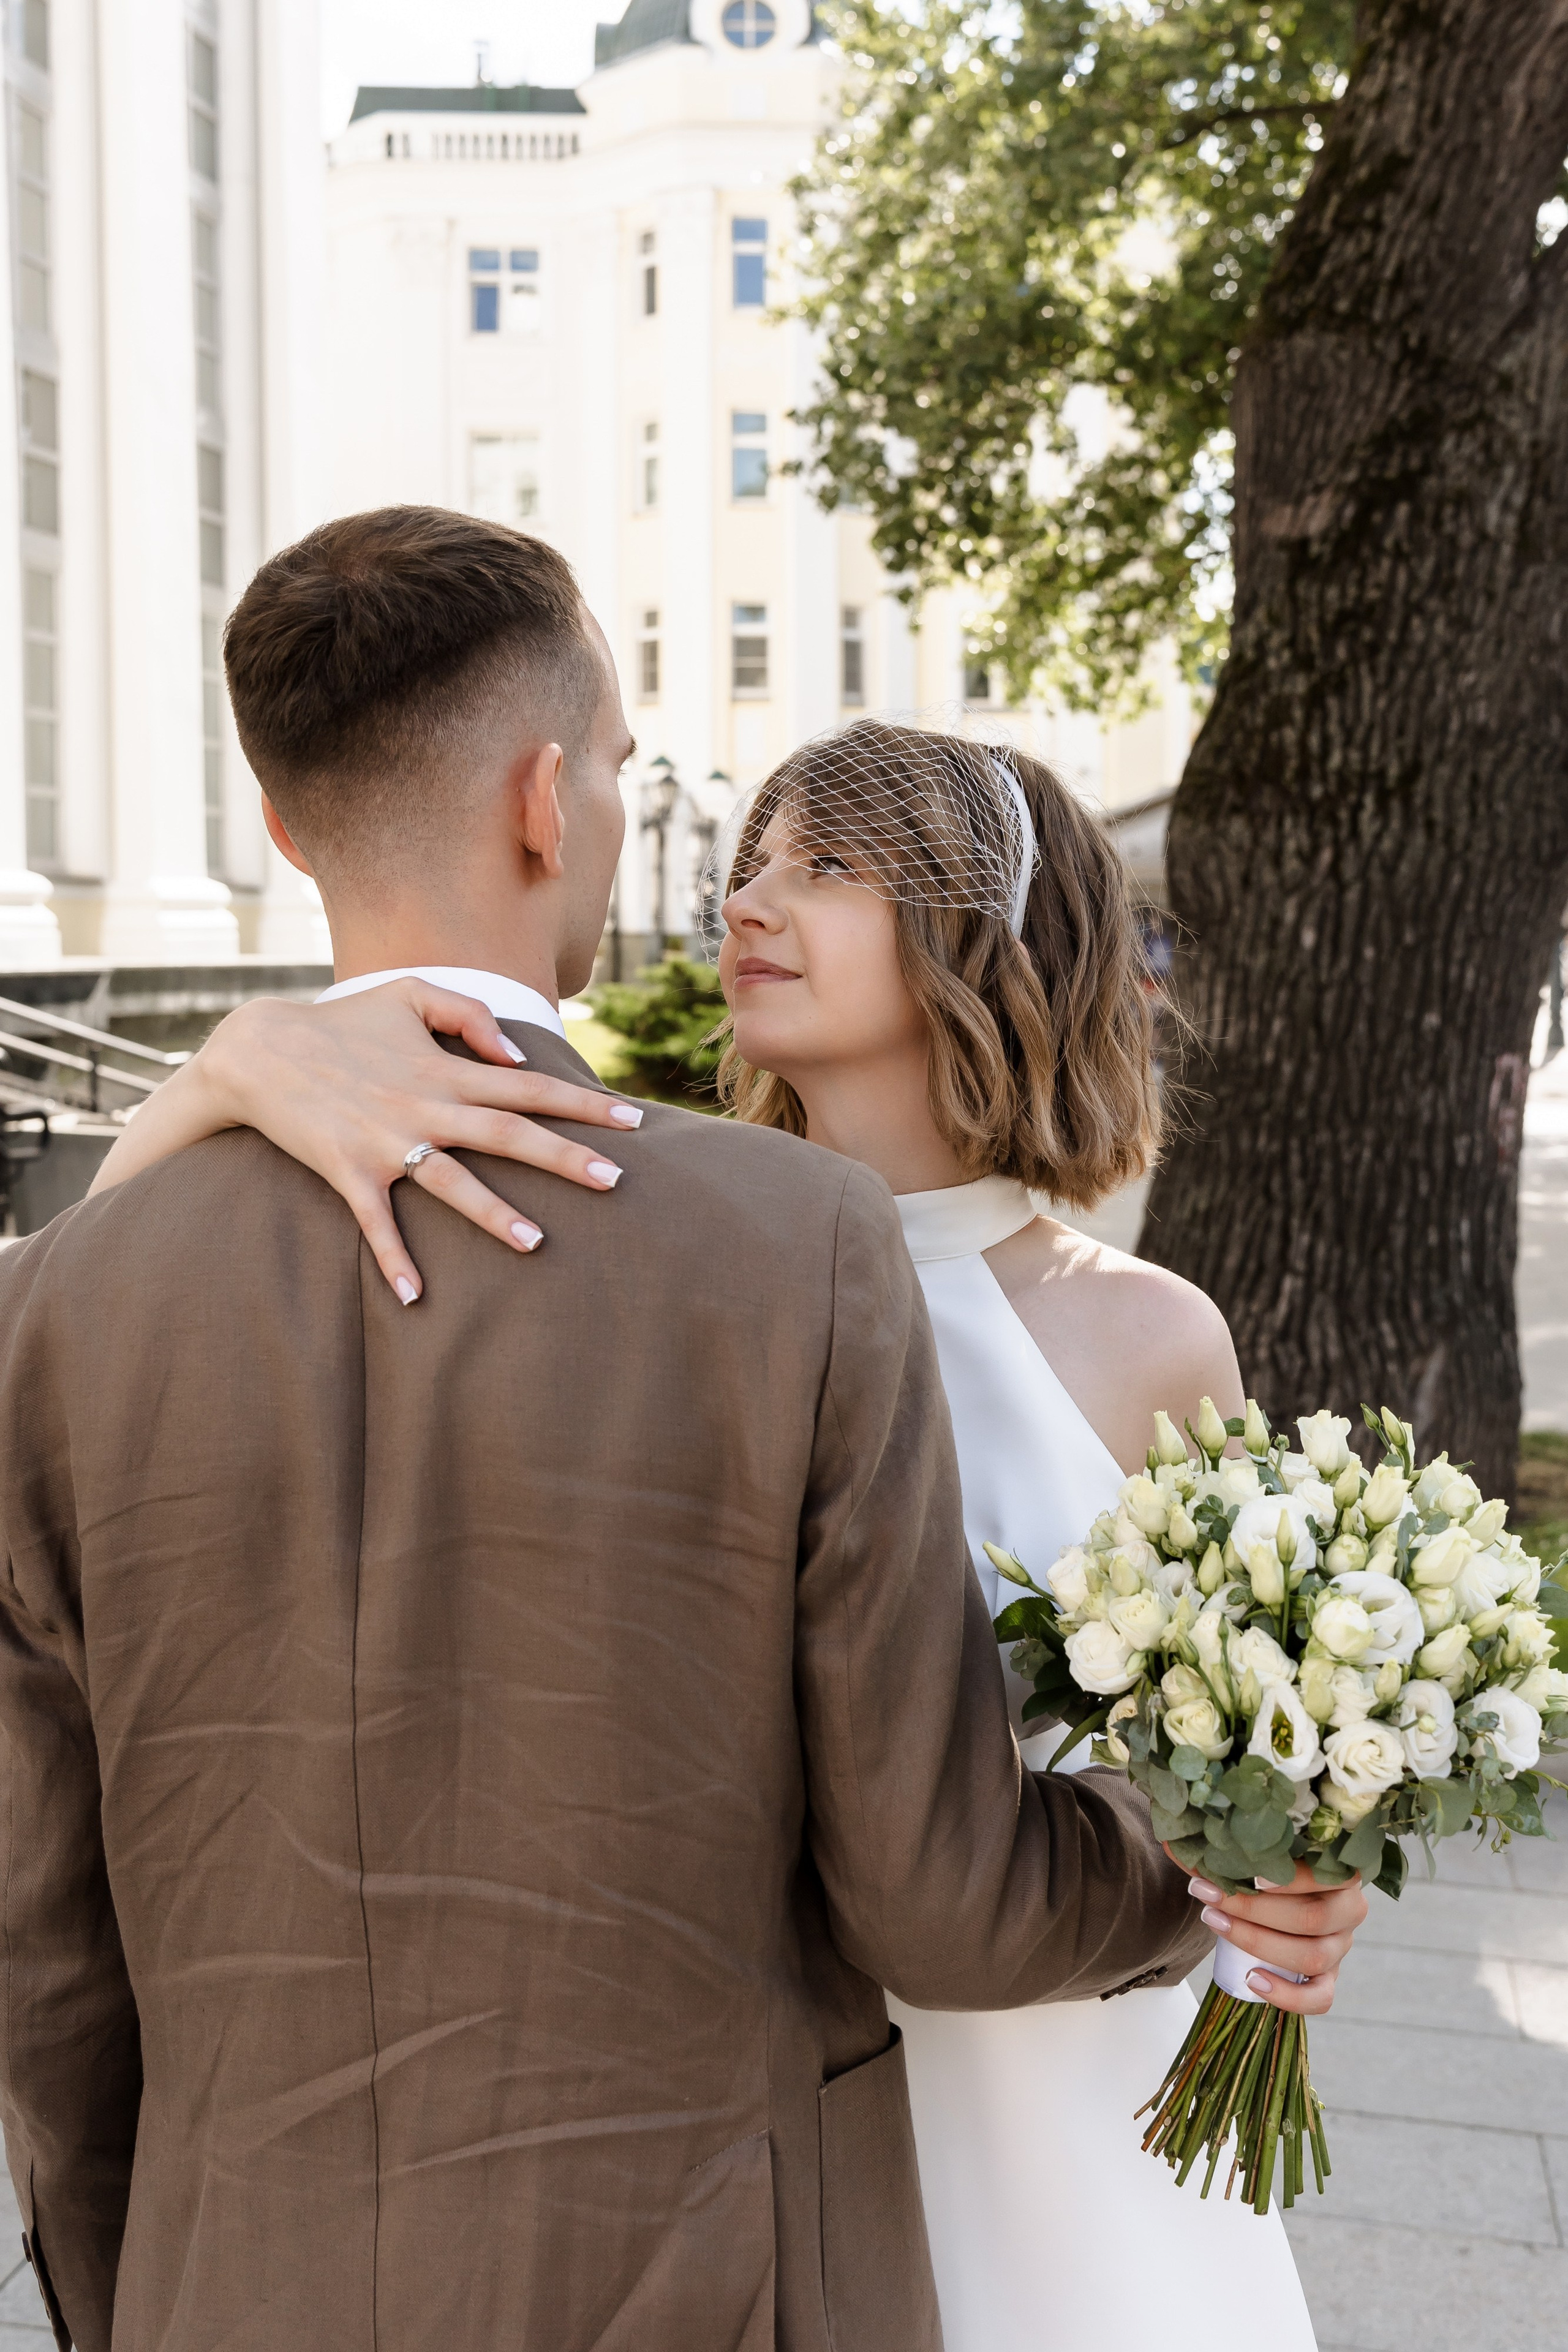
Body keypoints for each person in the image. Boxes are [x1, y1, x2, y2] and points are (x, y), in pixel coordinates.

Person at [0, 507, 1345, 2352]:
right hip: (716, 2263)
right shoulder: (792, 1250)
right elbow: (939, 1892)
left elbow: (45, 1957)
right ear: (548, 805)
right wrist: (1200, 1843)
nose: (735, 893)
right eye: (650, 786)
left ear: (286, 826)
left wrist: (126, 2290)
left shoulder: (61, 1305)